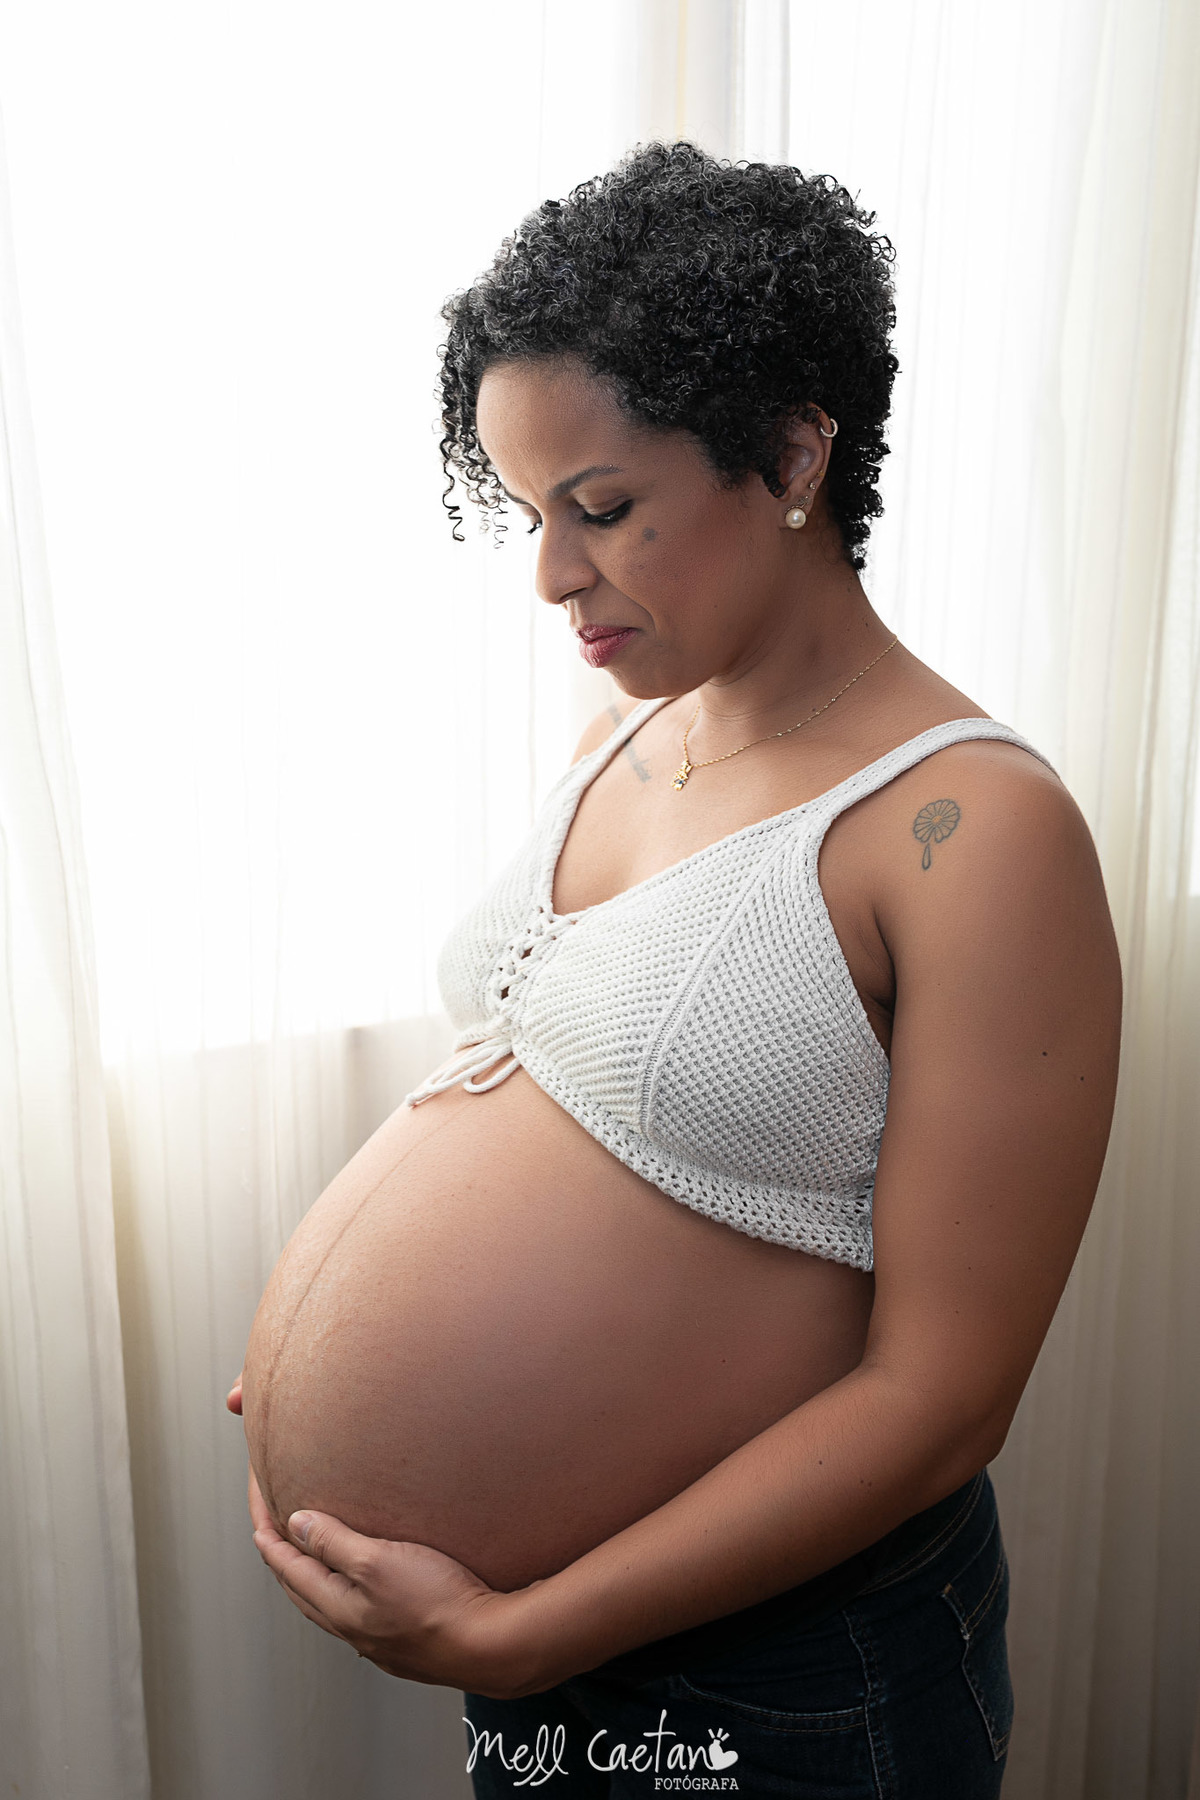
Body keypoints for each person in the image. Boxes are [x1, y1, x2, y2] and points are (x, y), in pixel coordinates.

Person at [227, 141, 1122, 1797]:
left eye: (601, 510)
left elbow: (944, 1398)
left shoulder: (971, 832)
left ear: (790, 454)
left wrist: (524, 1634)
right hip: (558, 1639)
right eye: (527, 516)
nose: (552, 576)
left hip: (782, 1677)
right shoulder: (624, 735)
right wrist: (347, 1357)